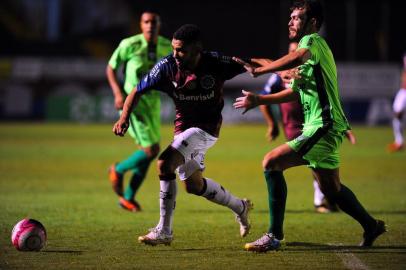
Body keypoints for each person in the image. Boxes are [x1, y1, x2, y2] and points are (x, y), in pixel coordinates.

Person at [233, 0, 386, 252]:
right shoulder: (310, 58)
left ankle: (274, 235)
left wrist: (262, 71)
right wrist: (259, 99)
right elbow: (295, 92)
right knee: (330, 189)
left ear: (312, 22)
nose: (291, 21)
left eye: (297, 17)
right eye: (291, 17)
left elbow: (295, 56)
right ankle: (371, 226)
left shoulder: (312, 42)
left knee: (271, 163)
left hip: (324, 125)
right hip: (325, 125)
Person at [113, 24, 253, 246]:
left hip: (206, 129)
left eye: (181, 50)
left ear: (197, 49)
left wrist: (279, 69)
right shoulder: (167, 66)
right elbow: (137, 90)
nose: (175, 55)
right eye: (174, 49)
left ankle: (164, 231)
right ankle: (240, 206)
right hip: (183, 130)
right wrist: (123, 118)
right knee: (194, 186)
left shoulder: (215, 62)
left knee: (164, 163)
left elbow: (252, 62)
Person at [259, 41, 345, 213]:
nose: (296, 55)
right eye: (292, 52)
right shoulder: (282, 75)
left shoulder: (312, 70)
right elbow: (268, 94)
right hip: (294, 126)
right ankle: (324, 201)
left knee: (321, 170)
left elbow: (329, 98)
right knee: (309, 164)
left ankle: (330, 200)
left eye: (298, 52)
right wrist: (271, 123)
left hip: (318, 125)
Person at [106, 10, 172, 212]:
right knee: (151, 150)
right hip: (133, 103)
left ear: (159, 25)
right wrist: (118, 94)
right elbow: (111, 67)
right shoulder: (129, 44)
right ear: (141, 25)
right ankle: (118, 169)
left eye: (154, 22)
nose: (150, 25)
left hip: (153, 104)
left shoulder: (166, 45)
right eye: (146, 22)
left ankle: (127, 198)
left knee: (150, 152)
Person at [387, 69, 406, 152]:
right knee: (397, 116)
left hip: (404, 92)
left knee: (398, 115)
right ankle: (399, 142)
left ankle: (399, 142)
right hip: (403, 91)